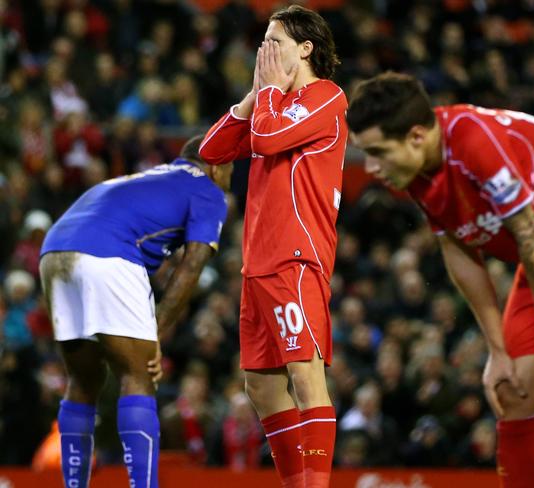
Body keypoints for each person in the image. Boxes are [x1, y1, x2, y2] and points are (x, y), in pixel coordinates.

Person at [347, 72, 534, 488]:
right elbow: (459, 249)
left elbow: (528, 233)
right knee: (511, 390)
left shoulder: (474, 142)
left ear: (416, 136)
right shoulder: (415, 170)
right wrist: (497, 350)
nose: (372, 167)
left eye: (378, 152)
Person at [198, 5, 347, 487]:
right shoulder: (272, 103)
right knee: (261, 385)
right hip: (257, 263)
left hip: (295, 258)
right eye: (262, 43)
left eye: (274, 42)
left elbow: (265, 140)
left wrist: (266, 97)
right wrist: (249, 102)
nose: (264, 53)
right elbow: (212, 151)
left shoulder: (326, 97)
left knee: (305, 377)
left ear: (305, 48)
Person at [39, 136, 232, 488]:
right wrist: (156, 332)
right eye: (231, 167)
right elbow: (190, 269)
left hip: (54, 249)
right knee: (139, 372)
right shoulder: (208, 190)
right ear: (218, 166)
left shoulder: (153, 175)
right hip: (107, 252)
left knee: (84, 379)